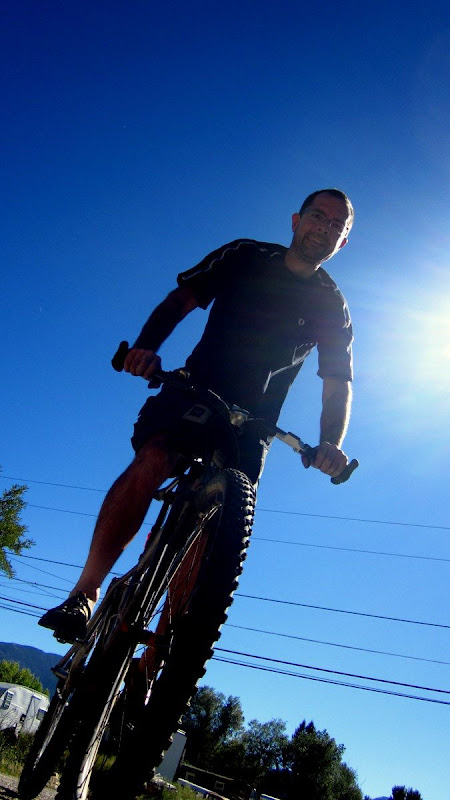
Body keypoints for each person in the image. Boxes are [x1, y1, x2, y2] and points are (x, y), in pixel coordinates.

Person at [39, 188, 355, 643]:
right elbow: (181, 300)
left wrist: (331, 443)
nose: (324, 228)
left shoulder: (331, 304)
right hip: (196, 389)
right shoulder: (246, 255)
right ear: (295, 220)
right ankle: (85, 592)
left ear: (343, 242)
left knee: (226, 521)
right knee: (155, 456)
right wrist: (146, 347)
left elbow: (337, 380)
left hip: (254, 421)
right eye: (317, 216)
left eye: (336, 225)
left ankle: (173, 645)